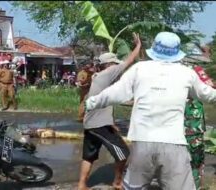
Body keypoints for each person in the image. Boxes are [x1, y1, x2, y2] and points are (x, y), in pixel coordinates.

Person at [84, 31, 216, 190]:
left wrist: (92, 102)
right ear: (177, 53)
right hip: (174, 144)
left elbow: (115, 93)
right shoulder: (187, 73)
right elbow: (207, 94)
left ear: (154, 50)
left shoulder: (139, 69)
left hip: (142, 142)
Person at [77, 33, 141, 190]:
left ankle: (81, 185)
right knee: (124, 153)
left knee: (89, 156)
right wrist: (138, 45)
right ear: (109, 64)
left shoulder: (99, 77)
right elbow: (129, 61)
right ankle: (117, 182)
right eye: (114, 64)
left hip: (91, 123)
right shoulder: (108, 73)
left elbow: (107, 103)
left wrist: (112, 123)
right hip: (99, 125)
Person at [183, 62, 216, 190]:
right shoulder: (195, 69)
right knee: (195, 162)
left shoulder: (161, 70)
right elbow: (210, 86)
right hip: (192, 122)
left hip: (173, 123)